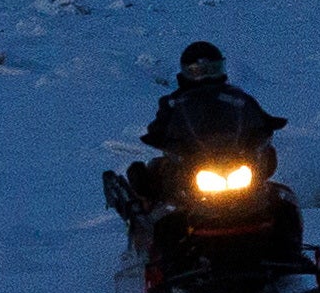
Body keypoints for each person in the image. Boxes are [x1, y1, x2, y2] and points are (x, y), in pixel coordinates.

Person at [118, 39, 286, 222]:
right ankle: (152, 232)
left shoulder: (237, 98)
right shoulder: (174, 103)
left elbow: (257, 116)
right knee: (161, 191)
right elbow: (159, 127)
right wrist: (161, 137)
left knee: (282, 199)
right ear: (186, 72)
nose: (206, 76)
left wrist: (264, 128)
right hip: (192, 163)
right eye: (197, 71)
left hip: (235, 159)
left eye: (212, 69)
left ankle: (289, 244)